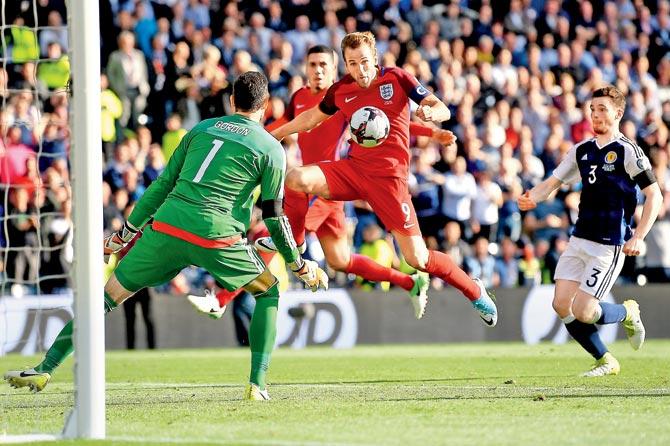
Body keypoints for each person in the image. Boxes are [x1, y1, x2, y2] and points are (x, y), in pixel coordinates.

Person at [4, 72, 328, 400]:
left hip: (166, 229)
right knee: (268, 292)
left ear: (232, 101)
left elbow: (161, 184)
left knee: (104, 299)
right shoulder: (272, 148)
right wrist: (298, 263)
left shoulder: (201, 129)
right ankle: (257, 384)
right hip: (217, 238)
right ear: (266, 106)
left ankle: (45, 368)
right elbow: (274, 217)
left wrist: (126, 233)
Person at [190, 45, 457, 319]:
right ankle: (410, 282)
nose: (317, 70)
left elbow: (384, 121)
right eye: (312, 64)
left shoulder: (342, 99)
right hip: (313, 187)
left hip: (326, 187)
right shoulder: (299, 98)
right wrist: (248, 139)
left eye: (323, 65)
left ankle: (221, 300)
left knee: (271, 237)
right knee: (340, 260)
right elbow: (279, 127)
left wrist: (431, 133)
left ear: (334, 69)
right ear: (305, 68)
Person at [267, 32, 497, 326]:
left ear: (374, 58)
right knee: (296, 178)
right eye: (353, 64)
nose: (360, 70)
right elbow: (311, 118)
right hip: (353, 170)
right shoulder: (341, 90)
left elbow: (439, 105)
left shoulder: (397, 78)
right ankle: (297, 246)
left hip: (390, 183)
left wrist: (432, 112)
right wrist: (273, 135)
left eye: (364, 62)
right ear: (346, 65)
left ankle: (474, 290)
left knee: (418, 259)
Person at [518, 85, 663, 377]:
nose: (595, 115)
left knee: (584, 311)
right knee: (561, 305)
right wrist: (532, 196)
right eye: (592, 110)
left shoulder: (628, 152)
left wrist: (638, 236)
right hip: (579, 238)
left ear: (618, 113)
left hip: (608, 246)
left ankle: (626, 312)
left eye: (602, 110)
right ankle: (606, 360)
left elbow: (655, 195)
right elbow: (552, 183)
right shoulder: (581, 151)